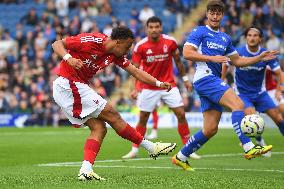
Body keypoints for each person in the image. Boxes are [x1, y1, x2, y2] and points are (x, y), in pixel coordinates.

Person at [51, 26, 177, 181]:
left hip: (74, 87)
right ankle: (151, 147)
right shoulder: (92, 40)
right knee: (112, 114)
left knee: (99, 128)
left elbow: (136, 71)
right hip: (67, 84)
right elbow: (57, 44)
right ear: (118, 42)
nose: (128, 50)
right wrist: (68, 58)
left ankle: (86, 170)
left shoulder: (114, 54)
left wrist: (158, 83)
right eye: (127, 46)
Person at [172, 1, 278, 171]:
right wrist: (212, 58)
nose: (215, 16)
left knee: (211, 129)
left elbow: (238, 61)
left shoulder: (225, 38)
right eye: (212, 13)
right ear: (207, 14)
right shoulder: (199, 32)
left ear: (222, 15)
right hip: (205, 78)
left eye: (218, 13)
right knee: (238, 104)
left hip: (211, 80)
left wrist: (259, 58)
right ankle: (249, 147)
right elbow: (187, 53)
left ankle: (181, 156)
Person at [122, 16, 200, 160]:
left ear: (161, 27)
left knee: (181, 114)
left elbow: (178, 62)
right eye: (151, 27)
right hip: (148, 87)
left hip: (169, 85)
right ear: (146, 29)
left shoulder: (170, 42)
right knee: (143, 118)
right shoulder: (140, 46)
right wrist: (135, 88)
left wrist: (185, 79)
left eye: (157, 27)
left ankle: (188, 148)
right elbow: (136, 70)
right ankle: (134, 149)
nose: (154, 30)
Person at [222, 26, 284, 157]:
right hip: (242, 94)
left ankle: (258, 139)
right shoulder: (237, 52)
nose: (252, 38)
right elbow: (225, 65)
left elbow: (279, 74)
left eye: (255, 35)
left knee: (278, 118)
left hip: (261, 94)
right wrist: (221, 80)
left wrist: (279, 89)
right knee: (252, 116)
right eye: (249, 35)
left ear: (260, 39)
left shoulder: (266, 55)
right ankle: (259, 141)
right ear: (245, 38)